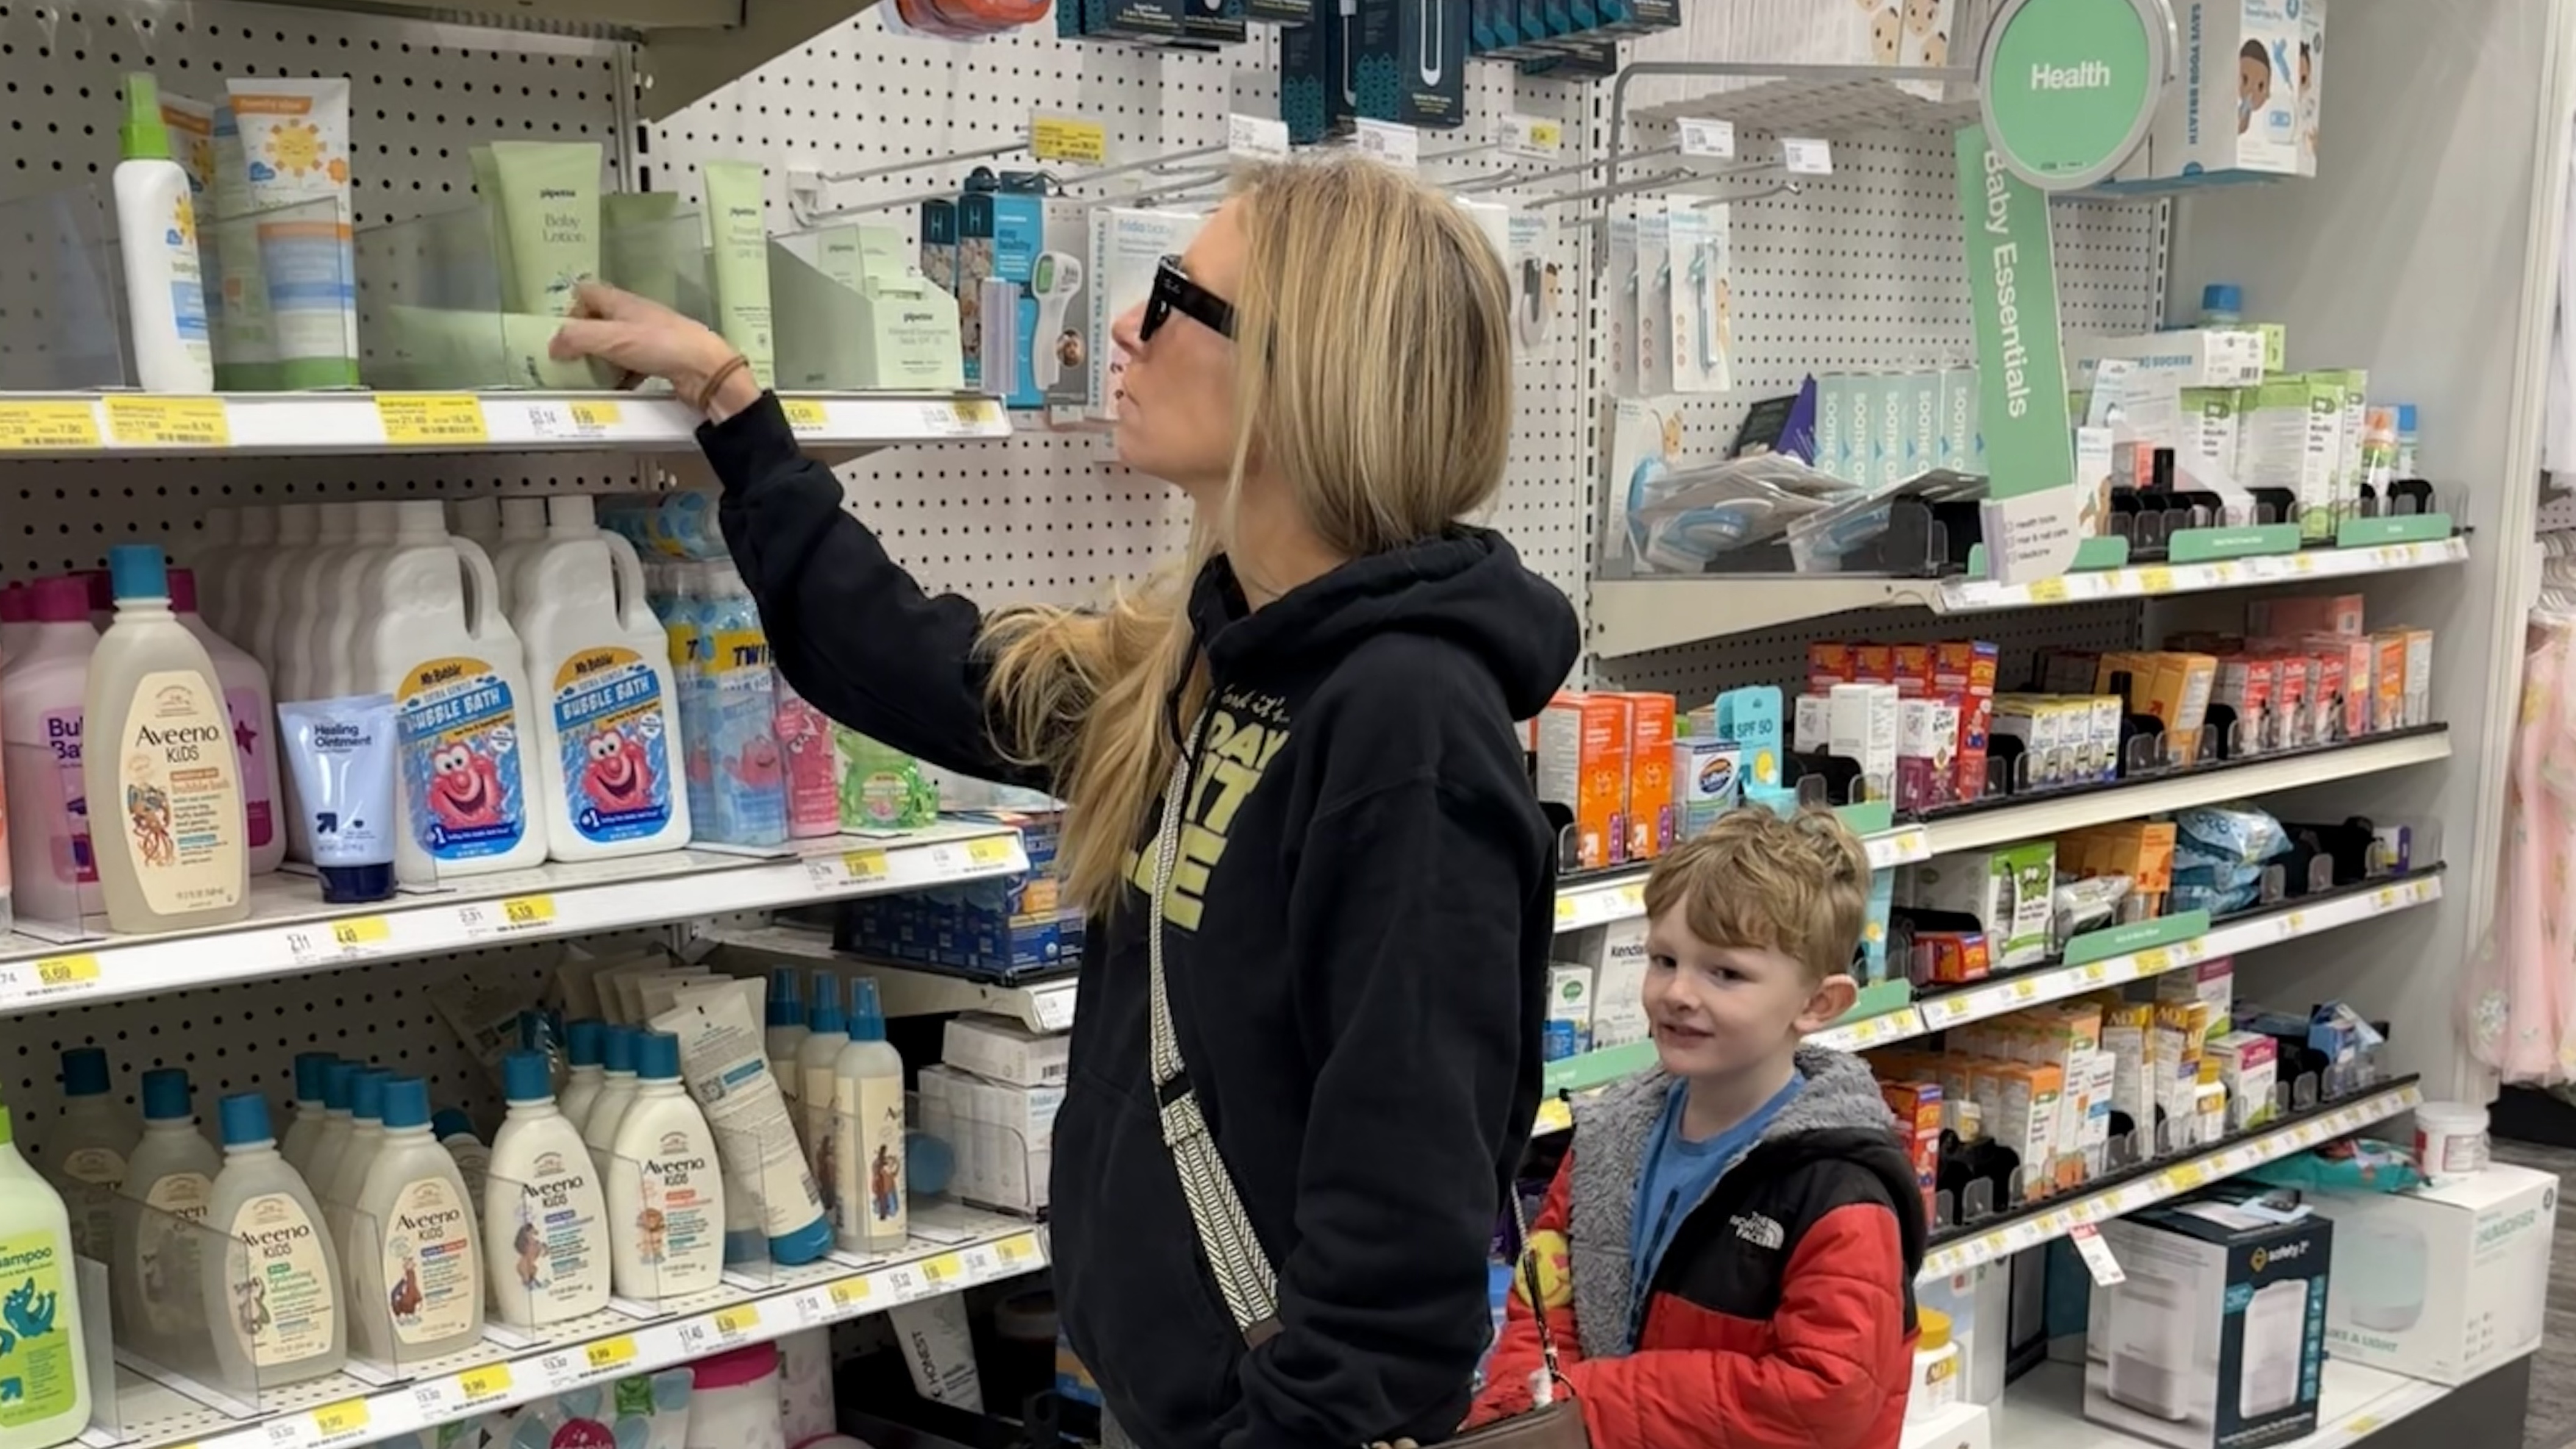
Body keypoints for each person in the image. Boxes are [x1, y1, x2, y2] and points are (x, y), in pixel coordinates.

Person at [551, 154, 1580, 1449]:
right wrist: (733, 406)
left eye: (1175, 297)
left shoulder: (1404, 724)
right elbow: (913, 660)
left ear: (1305, 369)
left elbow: (1401, 1242)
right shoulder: (1207, 662)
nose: (1122, 328)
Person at [1468, 808, 1927, 1449]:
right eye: (1664, 959)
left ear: (1817, 1003)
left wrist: (1586, 1401)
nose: (1677, 992)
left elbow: (1827, 1397)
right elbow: (1542, 1301)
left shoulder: (1839, 1193)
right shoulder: (1610, 1139)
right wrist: (1519, 1412)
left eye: (1726, 972)